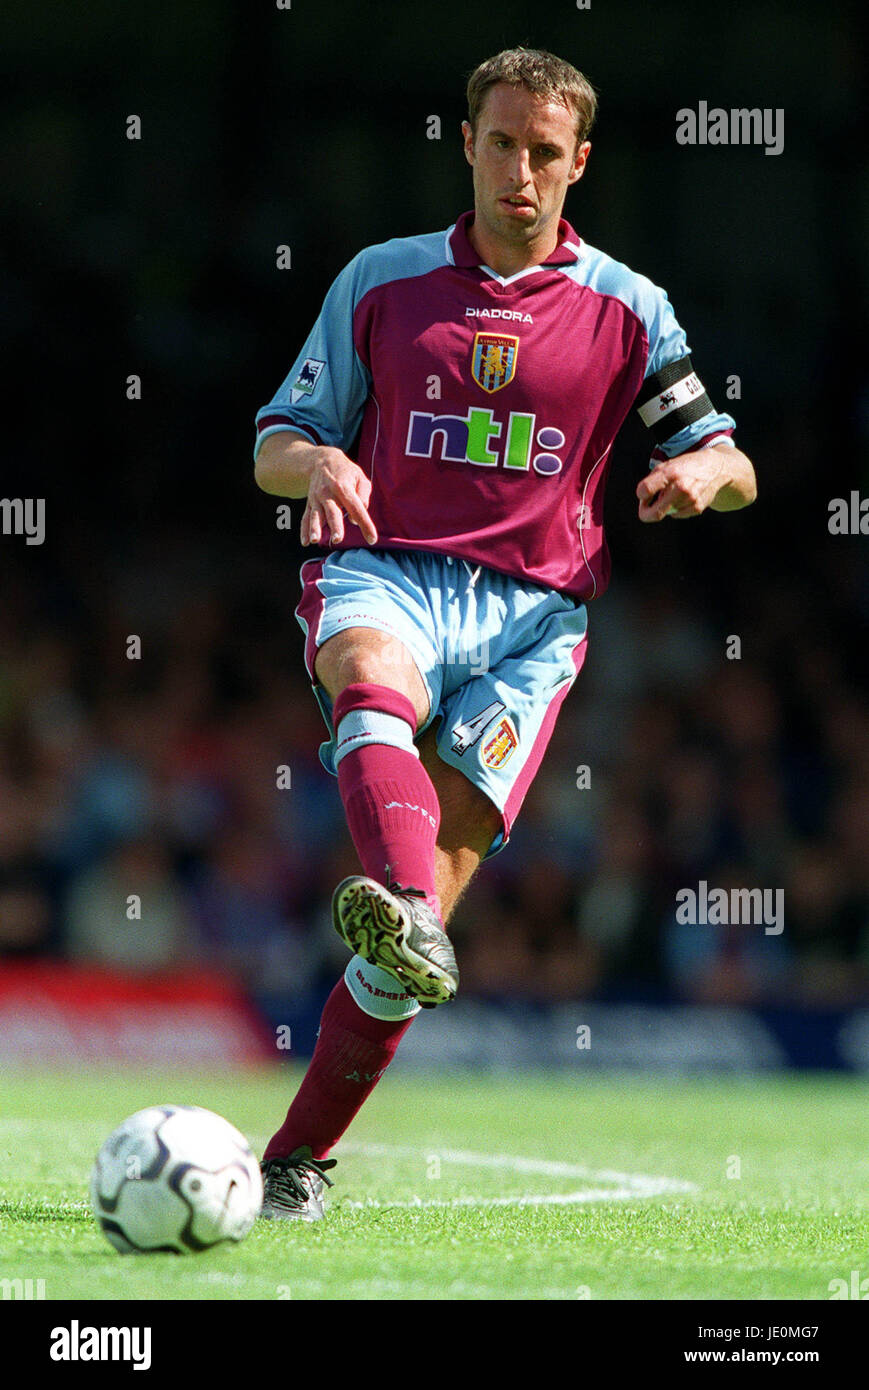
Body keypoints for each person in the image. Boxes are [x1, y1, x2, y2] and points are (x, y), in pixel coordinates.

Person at [252, 46, 757, 1219]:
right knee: (369, 676)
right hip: (387, 566)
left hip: (535, 621)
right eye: (499, 143)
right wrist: (318, 458)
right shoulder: (381, 281)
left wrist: (698, 475)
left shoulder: (631, 310)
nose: (518, 171)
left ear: (578, 162)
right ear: (465, 144)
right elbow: (272, 442)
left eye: (543, 151)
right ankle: (411, 906)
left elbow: (731, 460)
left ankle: (293, 1160)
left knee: (402, 954)